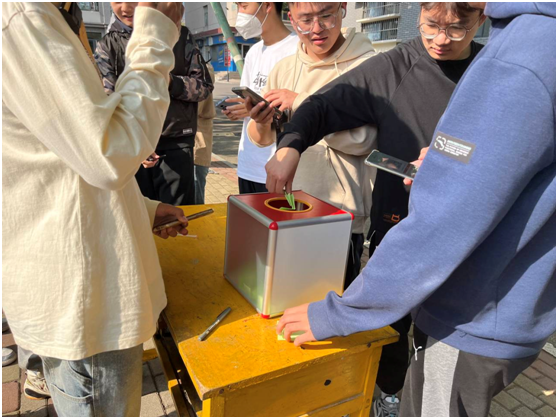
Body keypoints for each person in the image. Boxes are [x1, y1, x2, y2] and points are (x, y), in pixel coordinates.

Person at [276, 2, 556, 416]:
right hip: (409, 235)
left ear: (480, 19)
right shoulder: (399, 65)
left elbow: (455, 208)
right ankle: (390, 390)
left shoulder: (511, 61)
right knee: (395, 333)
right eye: (430, 26)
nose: (441, 40)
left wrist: (343, 312)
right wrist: (290, 144)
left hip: (466, 298)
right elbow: (325, 105)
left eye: (456, 29)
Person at [3, 2, 189, 416]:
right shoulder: (24, 16)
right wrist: (156, 35)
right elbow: (109, 155)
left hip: (87, 282)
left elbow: (65, 161)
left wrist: (143, 210)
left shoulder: (46, 14)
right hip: (87, 299)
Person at [245, 1, 377, 287]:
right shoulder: (284, 67)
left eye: (326, 16)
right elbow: (262, 140)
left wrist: (301, 104)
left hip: (340, 211)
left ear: (342, 8)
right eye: (305, 20)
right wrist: (262, 120)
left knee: (331, 296)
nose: (317, 29)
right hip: (289, 205)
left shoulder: (367, 65)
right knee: (287, 292)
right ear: (291, 19)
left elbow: (365, 140)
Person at [95, 2, 214, 206]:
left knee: (178, 215)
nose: (125, 8)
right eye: (117, 1)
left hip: (176, 142)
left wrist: (169, 82)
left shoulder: (179, 35)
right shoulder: (107, 45)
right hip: (132, 146)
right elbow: (108, 99)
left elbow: (203, 87)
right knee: (139, 213)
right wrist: (138, 141)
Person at [223, 2, 298, 194]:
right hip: (248, 164)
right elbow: (248, 98)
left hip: (278, 167)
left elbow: (299, 111)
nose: (240, 14)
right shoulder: (254, 52)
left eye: (244, 6)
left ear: (267, 5)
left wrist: (259, 110)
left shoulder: (298, 49)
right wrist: (242, 109)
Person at [194, 62, 216, 204]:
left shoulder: (201, 68)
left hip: (196, 145)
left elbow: (192, 106)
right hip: (193, 143)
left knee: (194, 202)